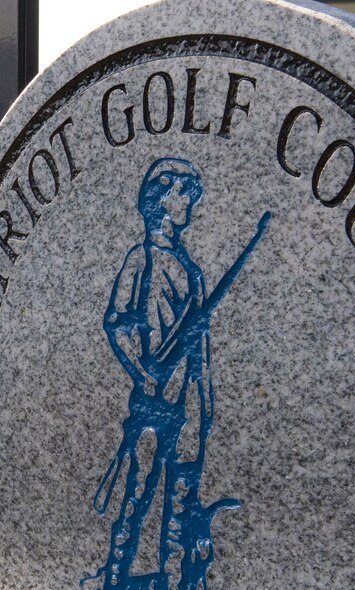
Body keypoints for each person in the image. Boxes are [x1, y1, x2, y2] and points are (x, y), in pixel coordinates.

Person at [82, 159, 269, 589]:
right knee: (137, 496)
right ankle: (114, 575)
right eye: (183, 193)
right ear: (160, 198)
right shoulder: (142, 259)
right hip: (155, 401)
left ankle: (174, 579)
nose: (189, 203)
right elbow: (117, 324)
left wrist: (203, 401)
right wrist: (143, 374)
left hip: (188, 400)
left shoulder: (191, 268)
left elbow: (197, 343)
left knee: (181, 502)